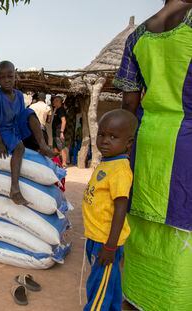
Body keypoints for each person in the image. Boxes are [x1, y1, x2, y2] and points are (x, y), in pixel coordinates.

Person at [113, 2, 192, 309]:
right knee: (183, 226)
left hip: (145, 141)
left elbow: (129, 104)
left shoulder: (138, 35)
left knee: (144, 222)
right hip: (185, 145)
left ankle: (137, 298)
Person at [83, 109, 138, 311]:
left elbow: (120, 210)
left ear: (129, 143)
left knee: (98, 290)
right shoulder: (108, 162)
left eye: (113, 137)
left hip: (106, 241)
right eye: (102, 135)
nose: (105, 141)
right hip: (97, 237)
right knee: (111, 285)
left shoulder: (121, 170)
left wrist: (110, 246)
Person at [0, 61, 55, 205]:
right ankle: (15, 189)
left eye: (10, 76)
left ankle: (42, 145)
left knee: (30, 112)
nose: (6, 80)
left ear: (15, 76)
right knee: (19, 148)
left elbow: (21, 115)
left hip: (17, 126)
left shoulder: (18, 95)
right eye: (2, 77)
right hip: (4, 129)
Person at [51, 95, 67, 167]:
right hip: (55, 132)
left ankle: (64, 163)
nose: (53, 102)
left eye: (54, 101)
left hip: (58, 131)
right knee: (55, 147)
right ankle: (56, 162)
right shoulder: (56, 109)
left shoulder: (61, 109)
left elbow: (63, 121)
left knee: (61, 147)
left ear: (58, 102)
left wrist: (61, 132)